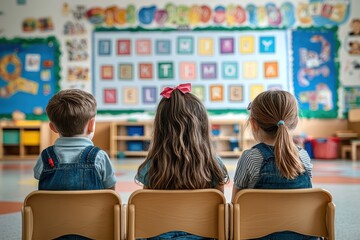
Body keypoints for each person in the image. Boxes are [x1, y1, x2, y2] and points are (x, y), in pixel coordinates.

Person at [135, 83, 229, 240]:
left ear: (159, 128)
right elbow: (218, 210)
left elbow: (146, 209)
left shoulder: (151, 166)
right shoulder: (214, 164)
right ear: (202, 127)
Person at [231, 90, 316, 240]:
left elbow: (235, 206)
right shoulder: (303, 157)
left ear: (253, 124)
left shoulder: (250, 157)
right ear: (295, 122)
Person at [33, 89, 117, 191]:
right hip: (91, 207)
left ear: (53, 127)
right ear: (91, 125)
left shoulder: (45, 156)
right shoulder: (100, 156)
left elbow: (39, 178)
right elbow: (111, 193)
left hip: (53, 207)